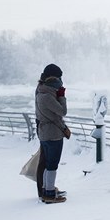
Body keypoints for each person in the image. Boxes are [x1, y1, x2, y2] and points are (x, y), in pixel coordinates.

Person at [35, 64, 68, 204]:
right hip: (52, 134)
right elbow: (62, 111)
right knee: (52, 164)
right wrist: (61, 96)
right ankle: (49, 194)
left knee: (46, 162)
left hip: (43, 132)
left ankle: (46, 189)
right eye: (59, 77)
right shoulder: (47, 96)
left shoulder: (40, 90)